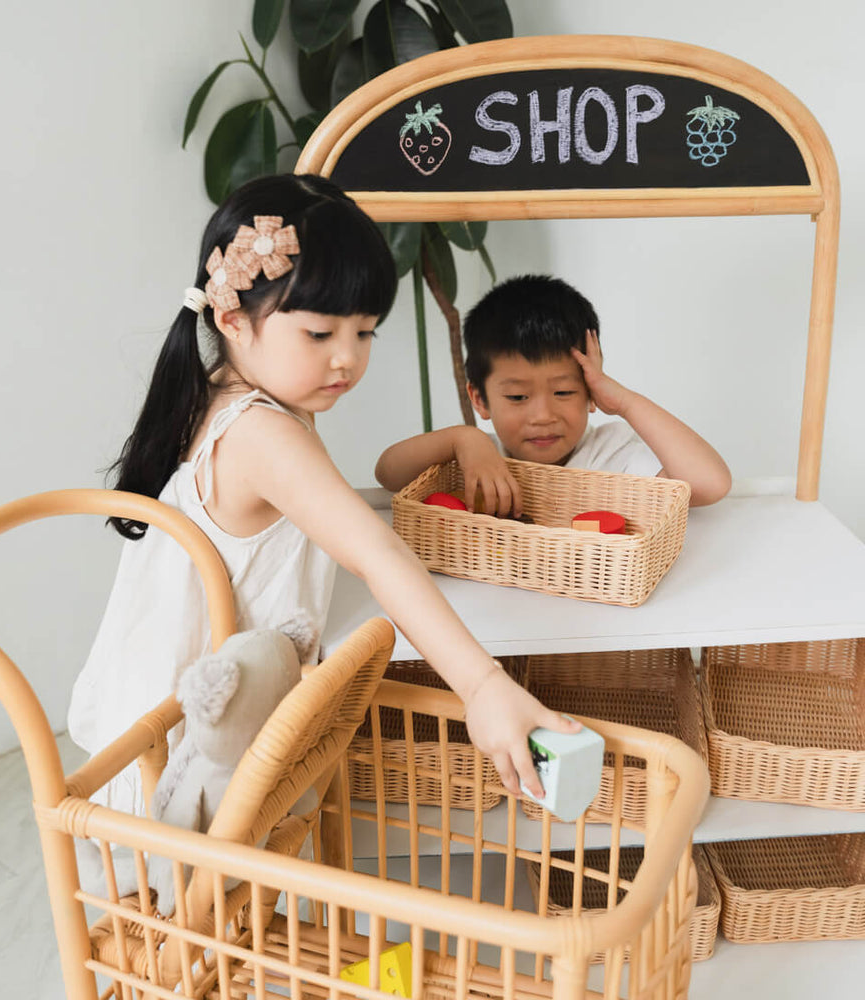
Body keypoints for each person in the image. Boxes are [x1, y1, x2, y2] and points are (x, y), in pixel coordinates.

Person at [67, 175, 578, 819]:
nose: (347, 359)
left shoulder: (227, 391)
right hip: (189, 758)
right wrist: (482, 686)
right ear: (232, 318)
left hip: (196, 721)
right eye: (320, 335)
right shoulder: (262, 433)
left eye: (364, 333)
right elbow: (377, 551)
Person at [375, 274, 731, 516]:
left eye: (563, 391)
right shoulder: (478, 457)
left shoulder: (612, 455)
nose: (543, 415)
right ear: (480, 399)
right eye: (517, 397)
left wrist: (623, 401)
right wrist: (461, 438)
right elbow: (388, 473)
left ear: (591, 391)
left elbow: (709, 485)